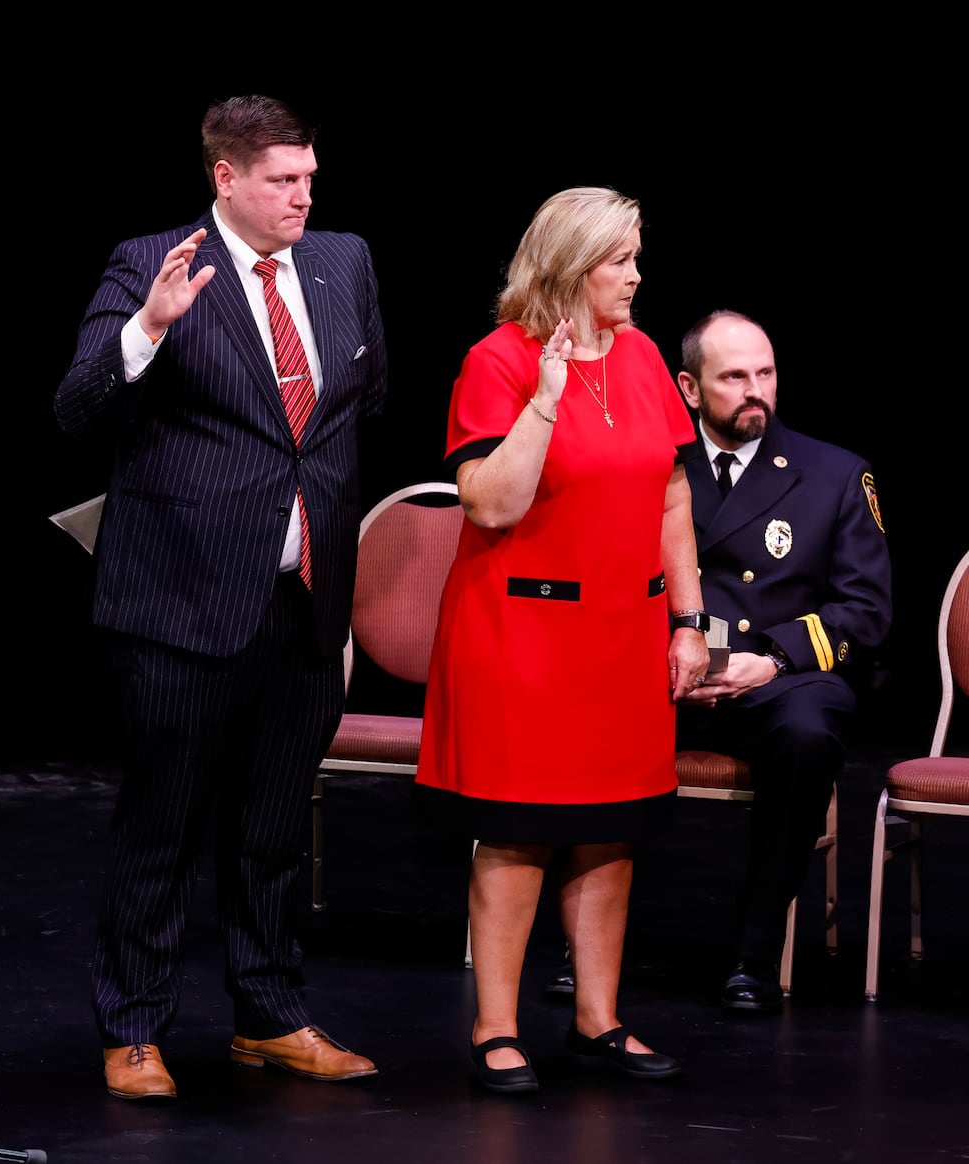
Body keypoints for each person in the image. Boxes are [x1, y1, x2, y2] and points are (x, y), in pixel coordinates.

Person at [54, 94, 387, 1101]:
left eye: (310, 177)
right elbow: (77, 407)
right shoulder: (151, 261)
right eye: (282, 180)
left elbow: (360, 398)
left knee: (275, 827)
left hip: (303, 597)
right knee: (162, 824)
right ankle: (134, 1028)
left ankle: (270, 1016)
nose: (303, 195)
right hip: (183, 601)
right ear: (225, 180)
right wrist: (148, 328)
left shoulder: (345, 263)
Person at [415, 187, 707, 1094]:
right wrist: (544, 401)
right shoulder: (498, 361)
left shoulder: (647, 354)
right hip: (524, 637)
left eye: (634, 255)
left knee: (610, 834)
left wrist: (690, 620)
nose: (635, 273)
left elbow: (670, 495)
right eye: (619, 258)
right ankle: (497, 1031)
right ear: (570, 263)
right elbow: (492, 502)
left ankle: (598, 1021)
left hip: (622, 636)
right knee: (518, 836)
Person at [673, 309, 892, 1010]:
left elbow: (866, 611)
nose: (754, 390)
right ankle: (577, 946)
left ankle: (755, 953)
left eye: (764, 373)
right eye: (734, 377)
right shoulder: (655, 468)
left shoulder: (834, 475)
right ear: (690, 388)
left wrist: (770, 656)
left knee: (810, 729)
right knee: (585, 708)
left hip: (773, 683)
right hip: (668, 671)